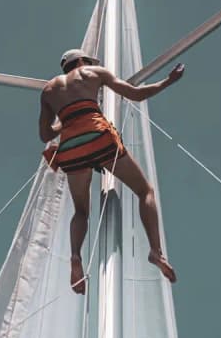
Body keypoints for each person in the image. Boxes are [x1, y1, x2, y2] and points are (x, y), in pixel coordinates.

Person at [39, 48, 184, 294]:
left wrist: (67, 119)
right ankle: (155, 251)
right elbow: (136, 94)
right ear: (83, 61)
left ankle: (75, 257)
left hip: (70, 148)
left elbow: (45, 134)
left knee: (81, 211)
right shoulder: (93, 72)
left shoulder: (49, 90)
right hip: (98, 137)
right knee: (144, 190)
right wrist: (167, 82)